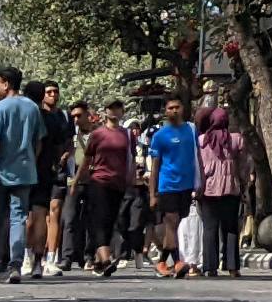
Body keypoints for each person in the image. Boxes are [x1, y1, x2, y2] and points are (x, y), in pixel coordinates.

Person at [0, 69, 43, 281]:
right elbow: (38, 139)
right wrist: (31, 158)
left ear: (6, 84)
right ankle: (15, 263)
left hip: (1, 171)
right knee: (18, 218)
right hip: (25, 171)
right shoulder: (32, 107)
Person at [71, 103, 131, 276]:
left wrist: (130, 177)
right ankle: (106, 259)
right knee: (99, 219)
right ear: (105, 112)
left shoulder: (126, 135)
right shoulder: (97, 134)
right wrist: (76, 181)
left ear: (122, 111)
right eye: (110, 108)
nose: (114, 111)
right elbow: (87, 159)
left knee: (111, 220)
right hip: (99, 181)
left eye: (117, 108)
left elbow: (131, 158)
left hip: (118, 183)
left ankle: (98, 262)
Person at [144, 93, 200, 273]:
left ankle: (162, 261)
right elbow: (155, 167)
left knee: (174, 225)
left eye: (177, 107)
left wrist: (201, 181)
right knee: (172, 221)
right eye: (170, 108)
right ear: (165, 112)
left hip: (187, 185)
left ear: (183, 109)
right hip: (167, 185)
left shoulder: (191, 130)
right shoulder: (160, 136)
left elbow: (198, 158)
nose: (174, 111)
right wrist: (152, 194)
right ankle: (177, 262)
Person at [192, 100, 246, 277]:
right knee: (230, 228)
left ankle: (210, 266)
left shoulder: (201, 141)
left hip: (207, 190)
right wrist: (243, 182)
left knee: (209, 228)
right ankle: (232, 267)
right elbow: (244, 166)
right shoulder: (236, 140)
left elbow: (197, 166)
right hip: (231, 190)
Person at [30, 84, 74, 272]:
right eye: (49, 92)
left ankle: (50, 257)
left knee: (53, 211)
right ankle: (28, 256)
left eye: (55, 92)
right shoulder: (36, 114)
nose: (53, 95)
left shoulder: (63, 117)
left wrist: (64, 156)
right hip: (38, 170)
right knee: (33, 215)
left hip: (55, 170)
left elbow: (68, 142)